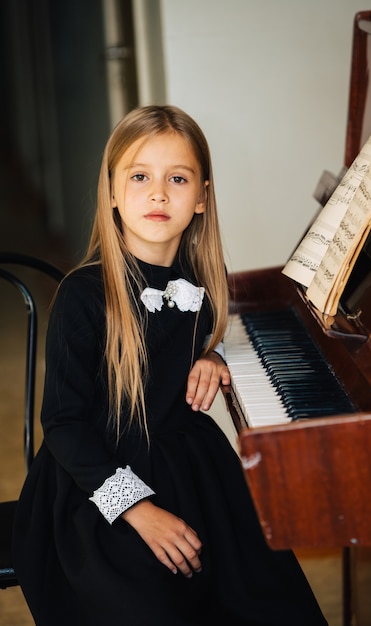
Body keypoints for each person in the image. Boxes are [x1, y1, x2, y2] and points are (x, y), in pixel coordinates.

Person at [12, 105, 328, 625]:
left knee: (265, 589)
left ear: (202, 196)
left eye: (177, 178)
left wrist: (211, 355)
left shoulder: (202, 279)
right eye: (139, 177)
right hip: (97, 481)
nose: (158, 193)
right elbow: (63, 423)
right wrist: (139, 510)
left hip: (187, 462)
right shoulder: (83, 296)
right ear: (112, 192)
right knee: (153, 601)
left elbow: (210, 332)